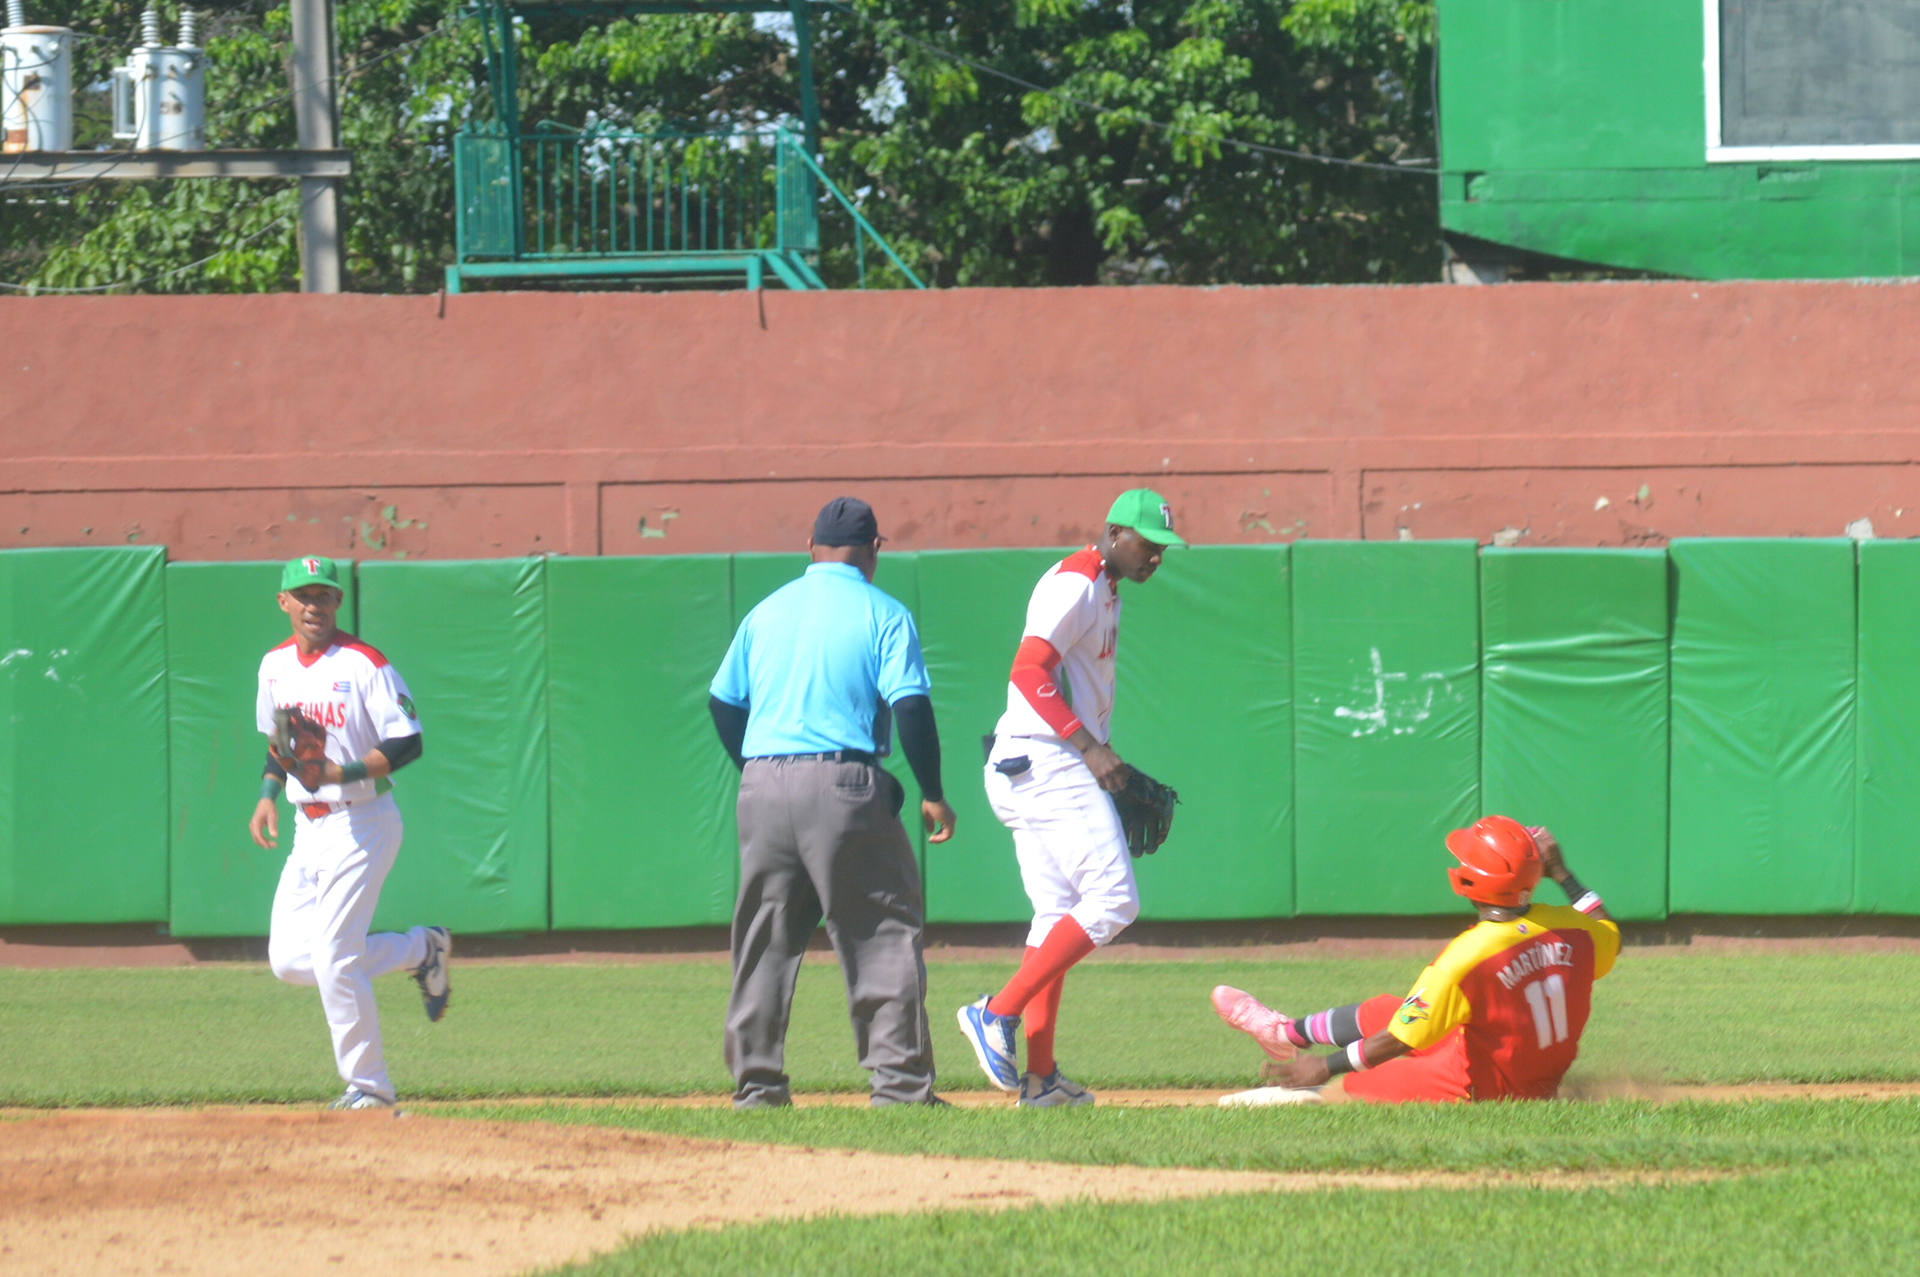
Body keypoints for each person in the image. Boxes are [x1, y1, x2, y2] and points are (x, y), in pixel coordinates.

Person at [708, 497, 957, 1109]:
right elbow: (911, 709)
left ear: (811, 549)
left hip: (761, 786)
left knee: (763, 940)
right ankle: (898, 1088)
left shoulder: (766, 612)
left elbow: (721, 702)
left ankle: (756, 1088)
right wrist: (932, 793)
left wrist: (761, 769)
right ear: (874, 549)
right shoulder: (883, 611)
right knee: (880, 930)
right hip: (844, 786)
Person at [955, 490, 1186, 1108]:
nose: (1156, 557)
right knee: (1115, 899)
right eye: (1147, 543)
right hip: (1045, 758)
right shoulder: (1077, 583)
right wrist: (1089, 749)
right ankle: (995, 1013)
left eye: (1163, 548)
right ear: (1113, 532)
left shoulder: (1103, 587)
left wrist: (1098, 755)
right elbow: (1027, 671)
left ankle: (1040, 1078)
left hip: (1035, 761)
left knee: (1057, 916)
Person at [1212, 817, 1618, 1104]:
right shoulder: (1573, 928)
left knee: (1358, 1085)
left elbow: (1399, 1039)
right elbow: (1610, 939)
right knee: (1384, 1010)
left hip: (1480, 1089)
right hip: (1505, 1058)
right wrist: (1565, 875)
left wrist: (1327, 1067)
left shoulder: (1464, 957)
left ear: (1468, 882)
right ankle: (1282, 1033)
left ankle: (1276, 1097)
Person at [247, 556, 449, 1112]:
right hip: (305, 828)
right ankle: (420, 948)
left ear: (339, 602)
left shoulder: (364, 664)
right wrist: (267, 795)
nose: (315, 605)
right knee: (291, 961)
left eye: (325, 595)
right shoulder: (274, 666)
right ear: (284, 602)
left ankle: (371, 1091)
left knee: (335, 958)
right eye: (303, 595)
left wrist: (344, 772)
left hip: (362, 823)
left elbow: (408, 741)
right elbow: (279, 743)